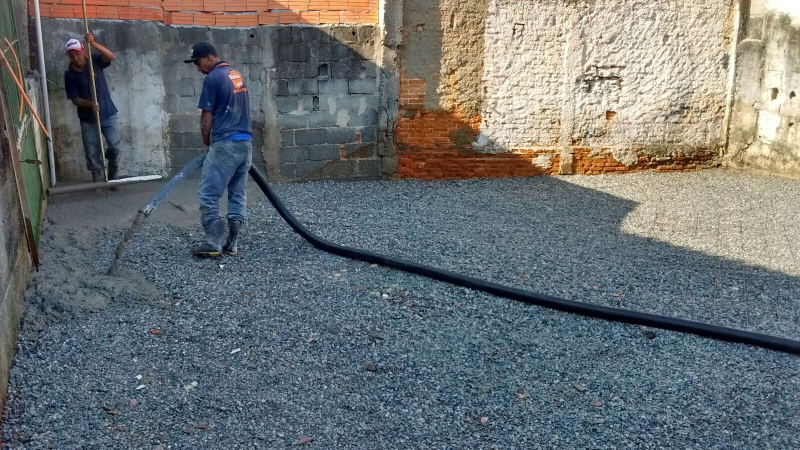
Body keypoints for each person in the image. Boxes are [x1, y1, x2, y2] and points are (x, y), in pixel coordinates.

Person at [184, 42, 252, 258]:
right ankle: (232, 244)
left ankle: (213, 243)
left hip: (225, 143)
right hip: (245, 143)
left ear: (210, 57)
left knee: (208, 195)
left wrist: (206, 142)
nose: (198, 67)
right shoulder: (236, 74)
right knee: (237, 193)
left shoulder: (213, 78)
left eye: (198, 62)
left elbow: (206, 118)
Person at [63, 34, 120, 182]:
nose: (75, 57)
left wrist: (93, 42)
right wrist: (89, 104)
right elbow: (75, 99)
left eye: (77, 53)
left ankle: (113, 177)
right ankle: (98, 183)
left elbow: (111, 57)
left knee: (114, 146)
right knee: (92, 152)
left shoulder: (94, 60)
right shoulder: (70, 75)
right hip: (88, 118)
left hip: (108, 113)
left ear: (83, 51)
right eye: (72, 55)